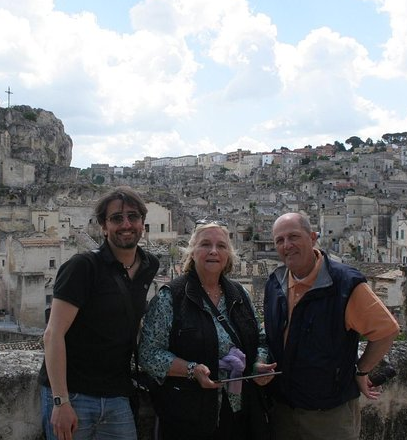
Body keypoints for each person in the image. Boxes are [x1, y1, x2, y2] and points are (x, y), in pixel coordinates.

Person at [263, 212, 400, 440]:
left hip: (329, 415)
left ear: (313, 237)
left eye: (294, 237)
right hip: (283, 411)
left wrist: (361, 370)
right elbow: (270, 336)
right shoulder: (275, 283)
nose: (287, 245)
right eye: (280, 240)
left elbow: (386, 330)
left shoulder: (344, 284)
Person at [38, 186, 160, 440]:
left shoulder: (149, 265)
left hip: (117, 393)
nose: (126, 224)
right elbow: (53, 334)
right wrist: (60, 402)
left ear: (142, 223)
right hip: (74, 393)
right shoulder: (83, 267)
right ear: (104, 227)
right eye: (116, 218)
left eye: (133, 216)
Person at [139, 221, 277, 440]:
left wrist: (258, 364)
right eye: (205, 244)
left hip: (240, 413)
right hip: (190, 417)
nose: (213, 251)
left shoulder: (240, 295)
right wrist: (192, 370)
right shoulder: (171, 298)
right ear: (192, 252)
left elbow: (260, 339)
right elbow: (148, 354)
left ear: (229, 255)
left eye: (221, 246)